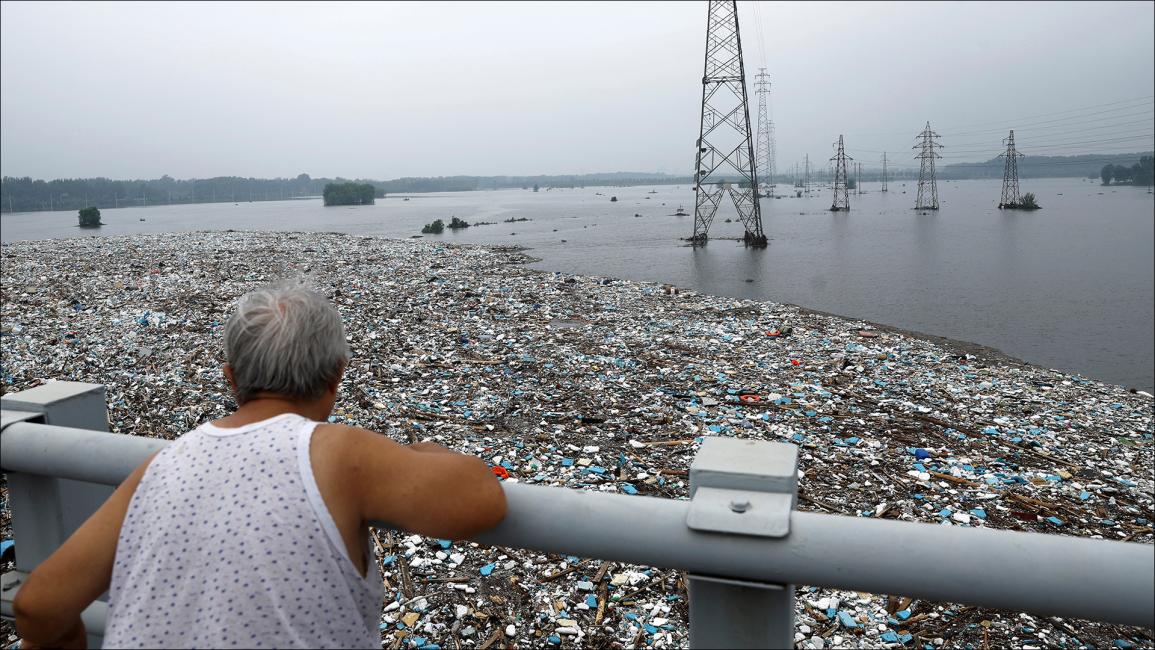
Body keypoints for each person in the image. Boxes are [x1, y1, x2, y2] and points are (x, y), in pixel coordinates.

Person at [13, 281, 507, 649]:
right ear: (336, 374)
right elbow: (481, 499)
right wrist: (419, 454)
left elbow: (37, 608)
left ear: (231, 377)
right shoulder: (341, 454)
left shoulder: (161, 465)